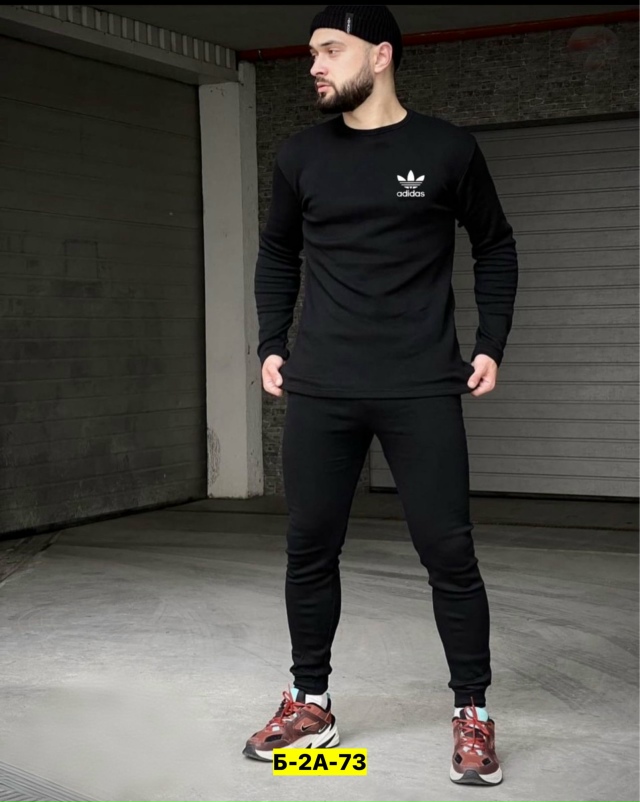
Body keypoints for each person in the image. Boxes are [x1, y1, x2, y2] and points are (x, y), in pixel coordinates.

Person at [245, 4, 518, 787]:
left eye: (331, 50)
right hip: (321, 385)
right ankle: (312, 704)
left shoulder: (447, 149)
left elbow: (495, 245)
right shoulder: (301, 155)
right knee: (309, 548)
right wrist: (271, 342)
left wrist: (491, 342)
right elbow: (277, 252)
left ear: (382, 55)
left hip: (421, 384)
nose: (314, 66)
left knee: (449, 554)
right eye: (312, 53)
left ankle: (472, 712)